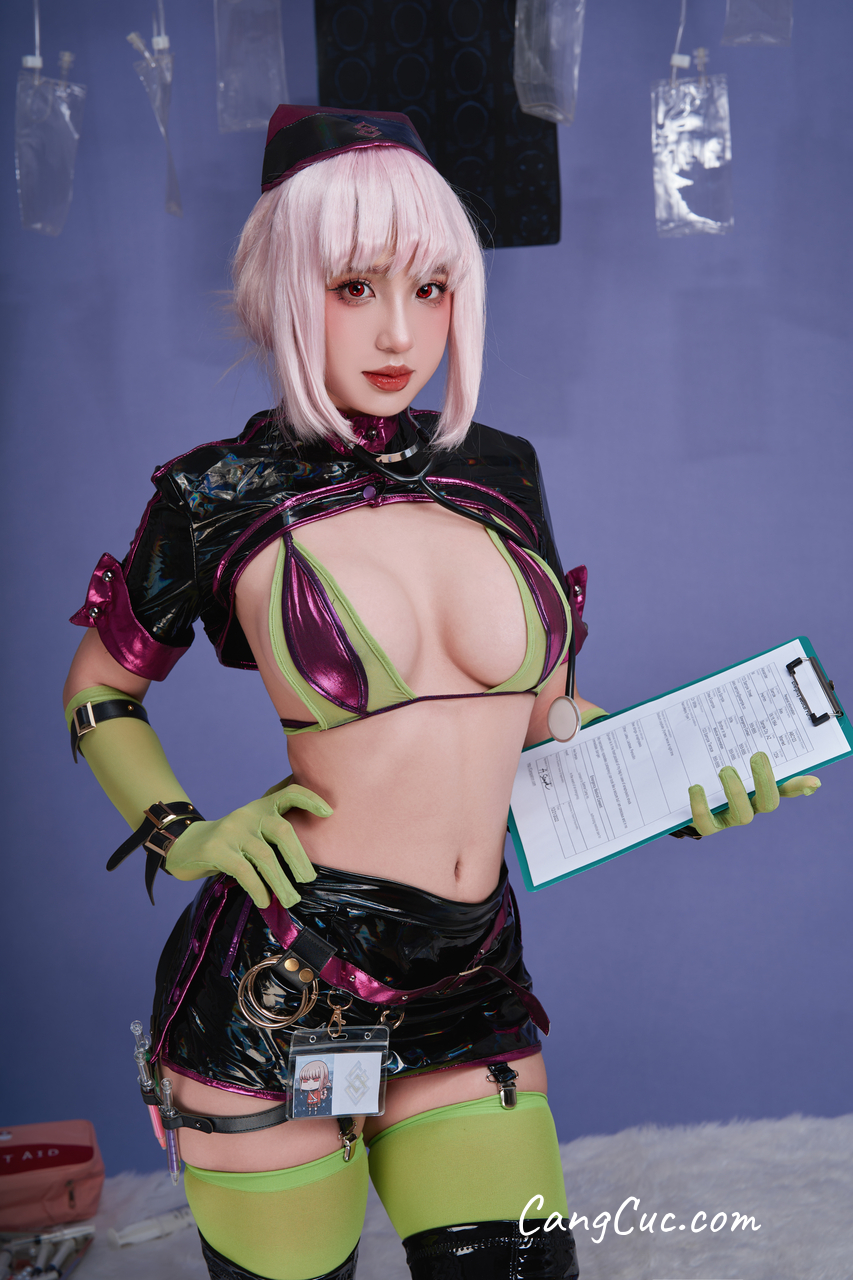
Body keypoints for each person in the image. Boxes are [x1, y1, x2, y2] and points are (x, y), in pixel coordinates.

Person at [63, 106, 820, 1280]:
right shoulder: (217, 495)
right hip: (288, 983)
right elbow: (102, 687)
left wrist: (675, 780)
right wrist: (186, 830)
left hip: (473, 979)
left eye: (430, 287)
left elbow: (549, 721)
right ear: (283, 286)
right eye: (354, 286)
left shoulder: (499, 470)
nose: (398, 331)